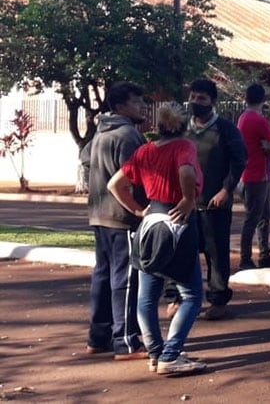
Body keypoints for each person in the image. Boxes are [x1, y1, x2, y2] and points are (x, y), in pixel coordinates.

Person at [107, 102, 207, 376]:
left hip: (150, 224)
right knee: (193, 295)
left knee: (147, 297)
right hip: (179, 223)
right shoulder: (184, 147)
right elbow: (186, 171)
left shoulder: (144, 151)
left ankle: (155, 353)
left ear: (159, 126)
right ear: (184, 126)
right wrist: (188, 199)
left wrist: (138, 210)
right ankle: (171, 354)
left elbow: (114, 184)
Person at [80, 81, 148, 360]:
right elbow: (136, 178)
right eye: (137, 102)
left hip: (99, 214)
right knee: (126, 280)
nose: (143, 106)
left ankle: (98, 337)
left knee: (103, 275)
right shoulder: (128, 135)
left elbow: (84, 161)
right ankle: (126, 341)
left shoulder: (100, 132)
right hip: (122, 217)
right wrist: (139, 209)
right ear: (120, 106)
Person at [184, 78, 247, 321]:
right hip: (186, 203)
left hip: (214, 203)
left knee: (216, 252)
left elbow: (239, 160)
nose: (196, 102)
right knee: (184, 252)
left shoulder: (225, 128)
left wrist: (226, 190)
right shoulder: (183, 128)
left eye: (202, 98)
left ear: (212, 101)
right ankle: (181, 298)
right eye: (193, 97)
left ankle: (218, 299)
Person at [237, 83, 270, 270]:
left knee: (262, 215)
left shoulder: (242, 118)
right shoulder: (259, 120)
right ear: (263, 100)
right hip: (258, 174)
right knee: (254, 217)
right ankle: (246, 257)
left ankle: (264, 254)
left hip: (251, 173)